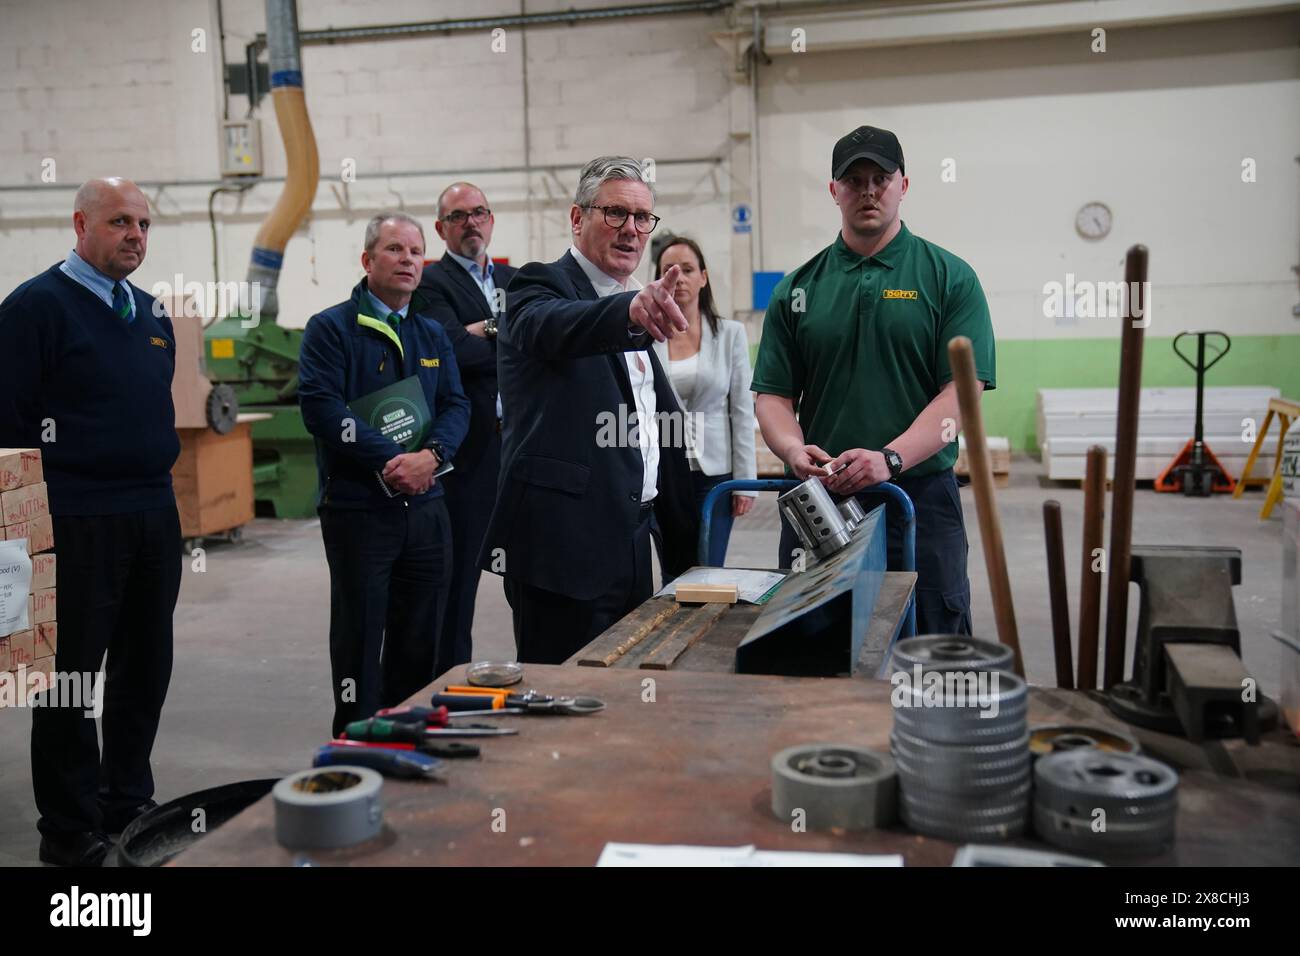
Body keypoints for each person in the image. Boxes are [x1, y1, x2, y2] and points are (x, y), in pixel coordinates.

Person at [0, 177, 182, 866]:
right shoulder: (34, 310)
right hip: (71, 521)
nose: (135, 235)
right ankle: (70, 829)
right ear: (80, 224)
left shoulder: (150, 312)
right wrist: (17, 551)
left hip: (151, 514)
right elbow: (7, 432)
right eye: (119, 223)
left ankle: (126, 800)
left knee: (145, 666)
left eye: (143, 223)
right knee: (71, 679)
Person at [752, 126, 996, 635]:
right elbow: (773, 395)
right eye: (854, 180)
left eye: (880, 179)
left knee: (933, 640)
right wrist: (794, 452)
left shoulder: (948, 278)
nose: (868, 191)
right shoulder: (797, 290)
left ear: (903, 185)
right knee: (811, 641)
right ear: (834, 191)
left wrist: (891, 458)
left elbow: (960, 395)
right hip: (820, 497)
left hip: (920, 496)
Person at [481, 155, 700, 664]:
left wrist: (686, 548)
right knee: (563, 704)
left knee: (622, 698)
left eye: (643, 218)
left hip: (631, 544)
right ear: (577, 219)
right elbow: (550, 325)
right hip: (561, 551)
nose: (632, 230)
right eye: (616, 214)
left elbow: (654, 432)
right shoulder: (538, 286)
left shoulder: (635, 306)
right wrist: (628, 312)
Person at [298, 212, 470, 737]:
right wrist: (391, 461)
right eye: (395, 250)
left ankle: (408, 733)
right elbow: (322, 409)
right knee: (358, 635)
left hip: (426, 509)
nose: (408, 260)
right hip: (359, 511)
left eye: (416, 252)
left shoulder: (432, 333)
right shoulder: (330, 329)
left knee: (421, 636)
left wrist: (432, 457)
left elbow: (457, 405)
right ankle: (356, 743)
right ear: (367, 260)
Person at [417, 183, 518, 672]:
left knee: (528, 575)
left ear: (491, 219)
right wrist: (504, 332)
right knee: (455, 584)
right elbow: (453, 351)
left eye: (479, 213)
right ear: (441, 229)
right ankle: (447, 683)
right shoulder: (430, 285)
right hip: (469, 457)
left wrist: (485, 329)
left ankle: (537, 668)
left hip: (519, 450)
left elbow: (530, 344)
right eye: (458, 217)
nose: (471, 223)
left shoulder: (515, 280)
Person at [651, 235, 758, 525]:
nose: (679, 278)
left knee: (710, 566)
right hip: (663, 472)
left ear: (703, 277)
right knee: (674, 569)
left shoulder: (730, 335)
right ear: (658, 281)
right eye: (669, 270)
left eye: (687, 269)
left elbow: (742, 411)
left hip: (716, 474)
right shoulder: (646, 339)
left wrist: (745, 479)